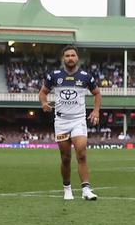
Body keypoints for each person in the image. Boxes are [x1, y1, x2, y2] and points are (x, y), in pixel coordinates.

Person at [39, 45, 101, 201]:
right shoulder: (54, 75)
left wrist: (96, 111)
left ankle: (86, 189)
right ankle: (67, 188)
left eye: (73, 55)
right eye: (67, 56)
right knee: (65, 157)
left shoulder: (86, 76)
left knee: (81, 153)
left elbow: (97, 93)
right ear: (63, 58)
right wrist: (44, 103)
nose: (70, 58)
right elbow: (43, 92)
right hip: (61, 121)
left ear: (77, 58)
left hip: (78, 120)